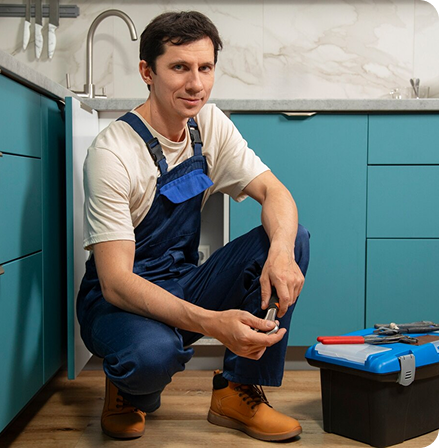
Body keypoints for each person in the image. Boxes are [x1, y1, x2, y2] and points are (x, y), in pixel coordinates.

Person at [76, 10, 310, 442]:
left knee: (290, 239)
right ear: (147, 72)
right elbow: (115, 283)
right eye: (180, 67)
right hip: (118, 302)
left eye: (205, 68)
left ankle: (236, 391)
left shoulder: (209, 124)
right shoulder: (113, 152)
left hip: (181, 280)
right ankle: (127, 384)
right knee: (152, 354)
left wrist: (280, 252)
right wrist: (212, 323)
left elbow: (275, 193)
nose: (196, 84)